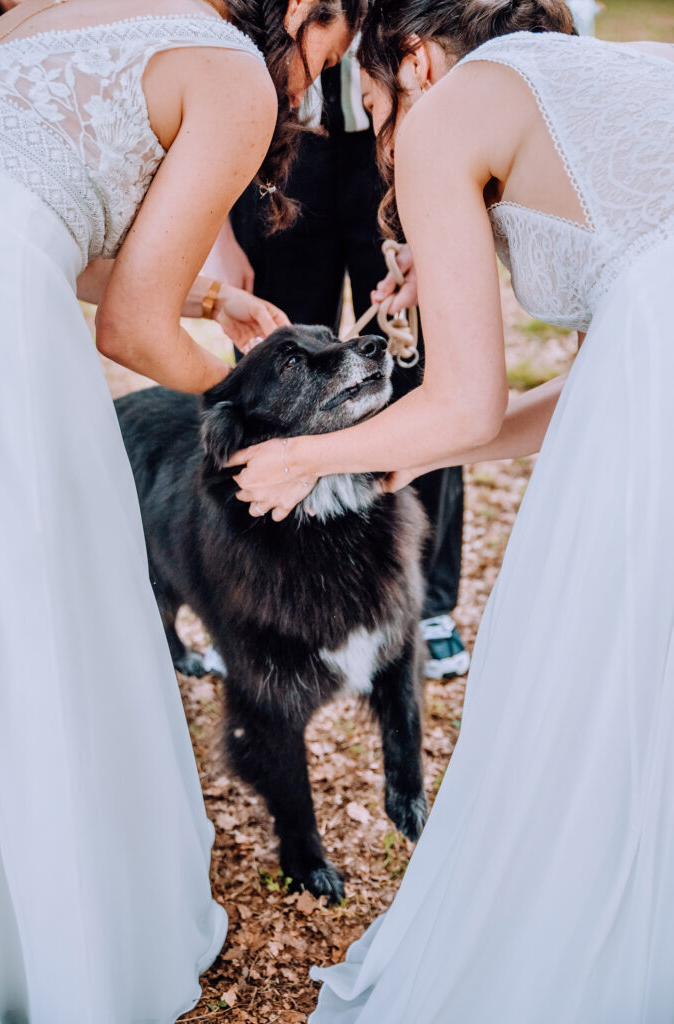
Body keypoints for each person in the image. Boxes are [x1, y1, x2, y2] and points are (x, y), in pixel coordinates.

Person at [227, 1, 674, 1019]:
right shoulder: (621, 78)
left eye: (378, 103)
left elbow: (464, 398)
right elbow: (614, 383)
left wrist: (303, 455)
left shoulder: (446, 114)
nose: (388, 142)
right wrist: (387, 460)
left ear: (417, 60)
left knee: (603, 674)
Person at [0, 0, 364, 1019]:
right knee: (32, 614)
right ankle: (50, 934)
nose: (330, 69)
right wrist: (246, 395)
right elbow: (127, 329)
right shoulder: (235, 72)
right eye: (339, 41)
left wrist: (210, 301)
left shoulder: (49, 12)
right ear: (299, 12)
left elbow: (45, 218)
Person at [229, 49, 469, 679]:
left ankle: (425, 600)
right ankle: (279, 590)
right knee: (278, 369)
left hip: (389, 138)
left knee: (418, 374)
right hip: (279, 142)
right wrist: (218, 236)